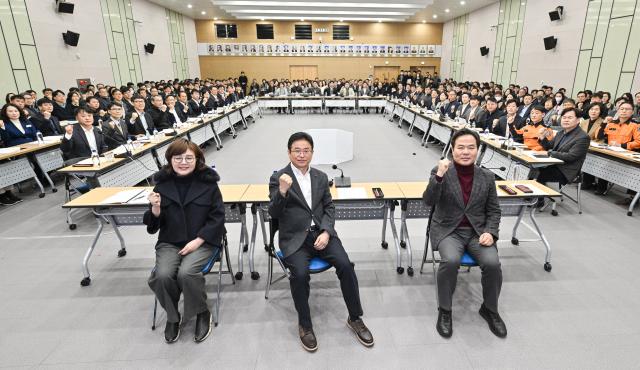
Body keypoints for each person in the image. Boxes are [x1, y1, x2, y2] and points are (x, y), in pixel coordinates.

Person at [268, 132, 373, 352]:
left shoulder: (321, 176)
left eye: (306, 150)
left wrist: (326, 231)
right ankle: (305, 324)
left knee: (346, 265)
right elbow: (274, 212)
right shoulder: (279, 177)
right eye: (297, 150)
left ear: (312, 153)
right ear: (289, 152)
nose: (302, 154)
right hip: (295, 238)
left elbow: (329, 207)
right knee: (300, 275)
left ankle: (355, 317)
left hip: (321, 234)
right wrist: (282, 191)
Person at [422, 128, 505, 339]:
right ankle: (445, 310)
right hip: (449, 230)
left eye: (471, 147)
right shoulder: (440, 170)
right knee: (450, 261)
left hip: (478, 232)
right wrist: (439, 176)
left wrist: (491, 232)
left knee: (493, 264)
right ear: (452, 149)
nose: (465, 152)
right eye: (460, 147)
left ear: (478, 150)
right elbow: (428, 201)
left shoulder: (486, 176)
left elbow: (494, 210)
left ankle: (490, 309)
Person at [145, 139, 225, 344]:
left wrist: (198, 241)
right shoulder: (162, 185)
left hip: (203, 241)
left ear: (197, 159)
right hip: (170, 241)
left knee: (187, 273)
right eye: (178, 158)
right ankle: (173, 317)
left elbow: (217, 217)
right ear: (170, 160)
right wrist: (155, 208)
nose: (183, 162)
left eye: (189, 158)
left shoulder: (208, 183)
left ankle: (201, 312)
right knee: (162, 275)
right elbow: (153, 226)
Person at [535, 107, 590, 204]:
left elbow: (571, 156)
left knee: (540, 173)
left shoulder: (583, 137)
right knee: (533, 169)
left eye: (569, 118)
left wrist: (549, 153)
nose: (566, 120)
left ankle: (538, 200)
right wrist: (542, 137)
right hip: (555, 165)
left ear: (578, 120)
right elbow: (549, 146)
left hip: (566, 170)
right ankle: (533, 195)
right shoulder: (561, 132)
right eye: (564, 117)